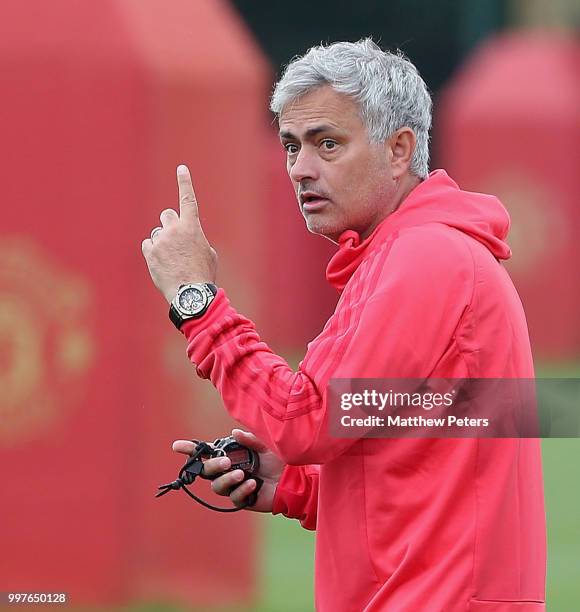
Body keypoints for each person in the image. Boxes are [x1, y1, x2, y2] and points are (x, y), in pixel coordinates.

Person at [141, 39, 546, 611]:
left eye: (327, 144)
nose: (301, 169)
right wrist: (298, 485)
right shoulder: (419, 253)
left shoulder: (424, 257)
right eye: (290, 146)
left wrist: (196, 299)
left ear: (400, 149)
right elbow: (414, 453)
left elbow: (304, 421)